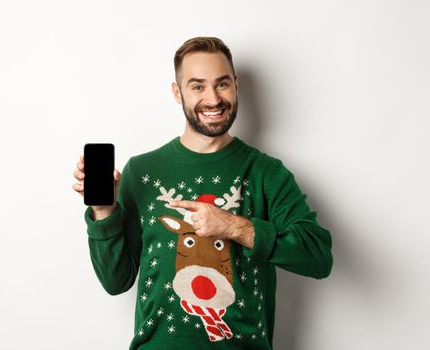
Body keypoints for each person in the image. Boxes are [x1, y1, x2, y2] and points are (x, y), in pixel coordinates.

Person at [72, 36, 333, 349]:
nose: (213, 98)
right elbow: (116, 282)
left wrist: (234, 226)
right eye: (197, 86)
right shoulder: (141, 171)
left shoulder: (267, 173)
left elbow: (318, 258)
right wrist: (104, 212)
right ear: (177, 92)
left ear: (236, 85)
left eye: (222, 84)